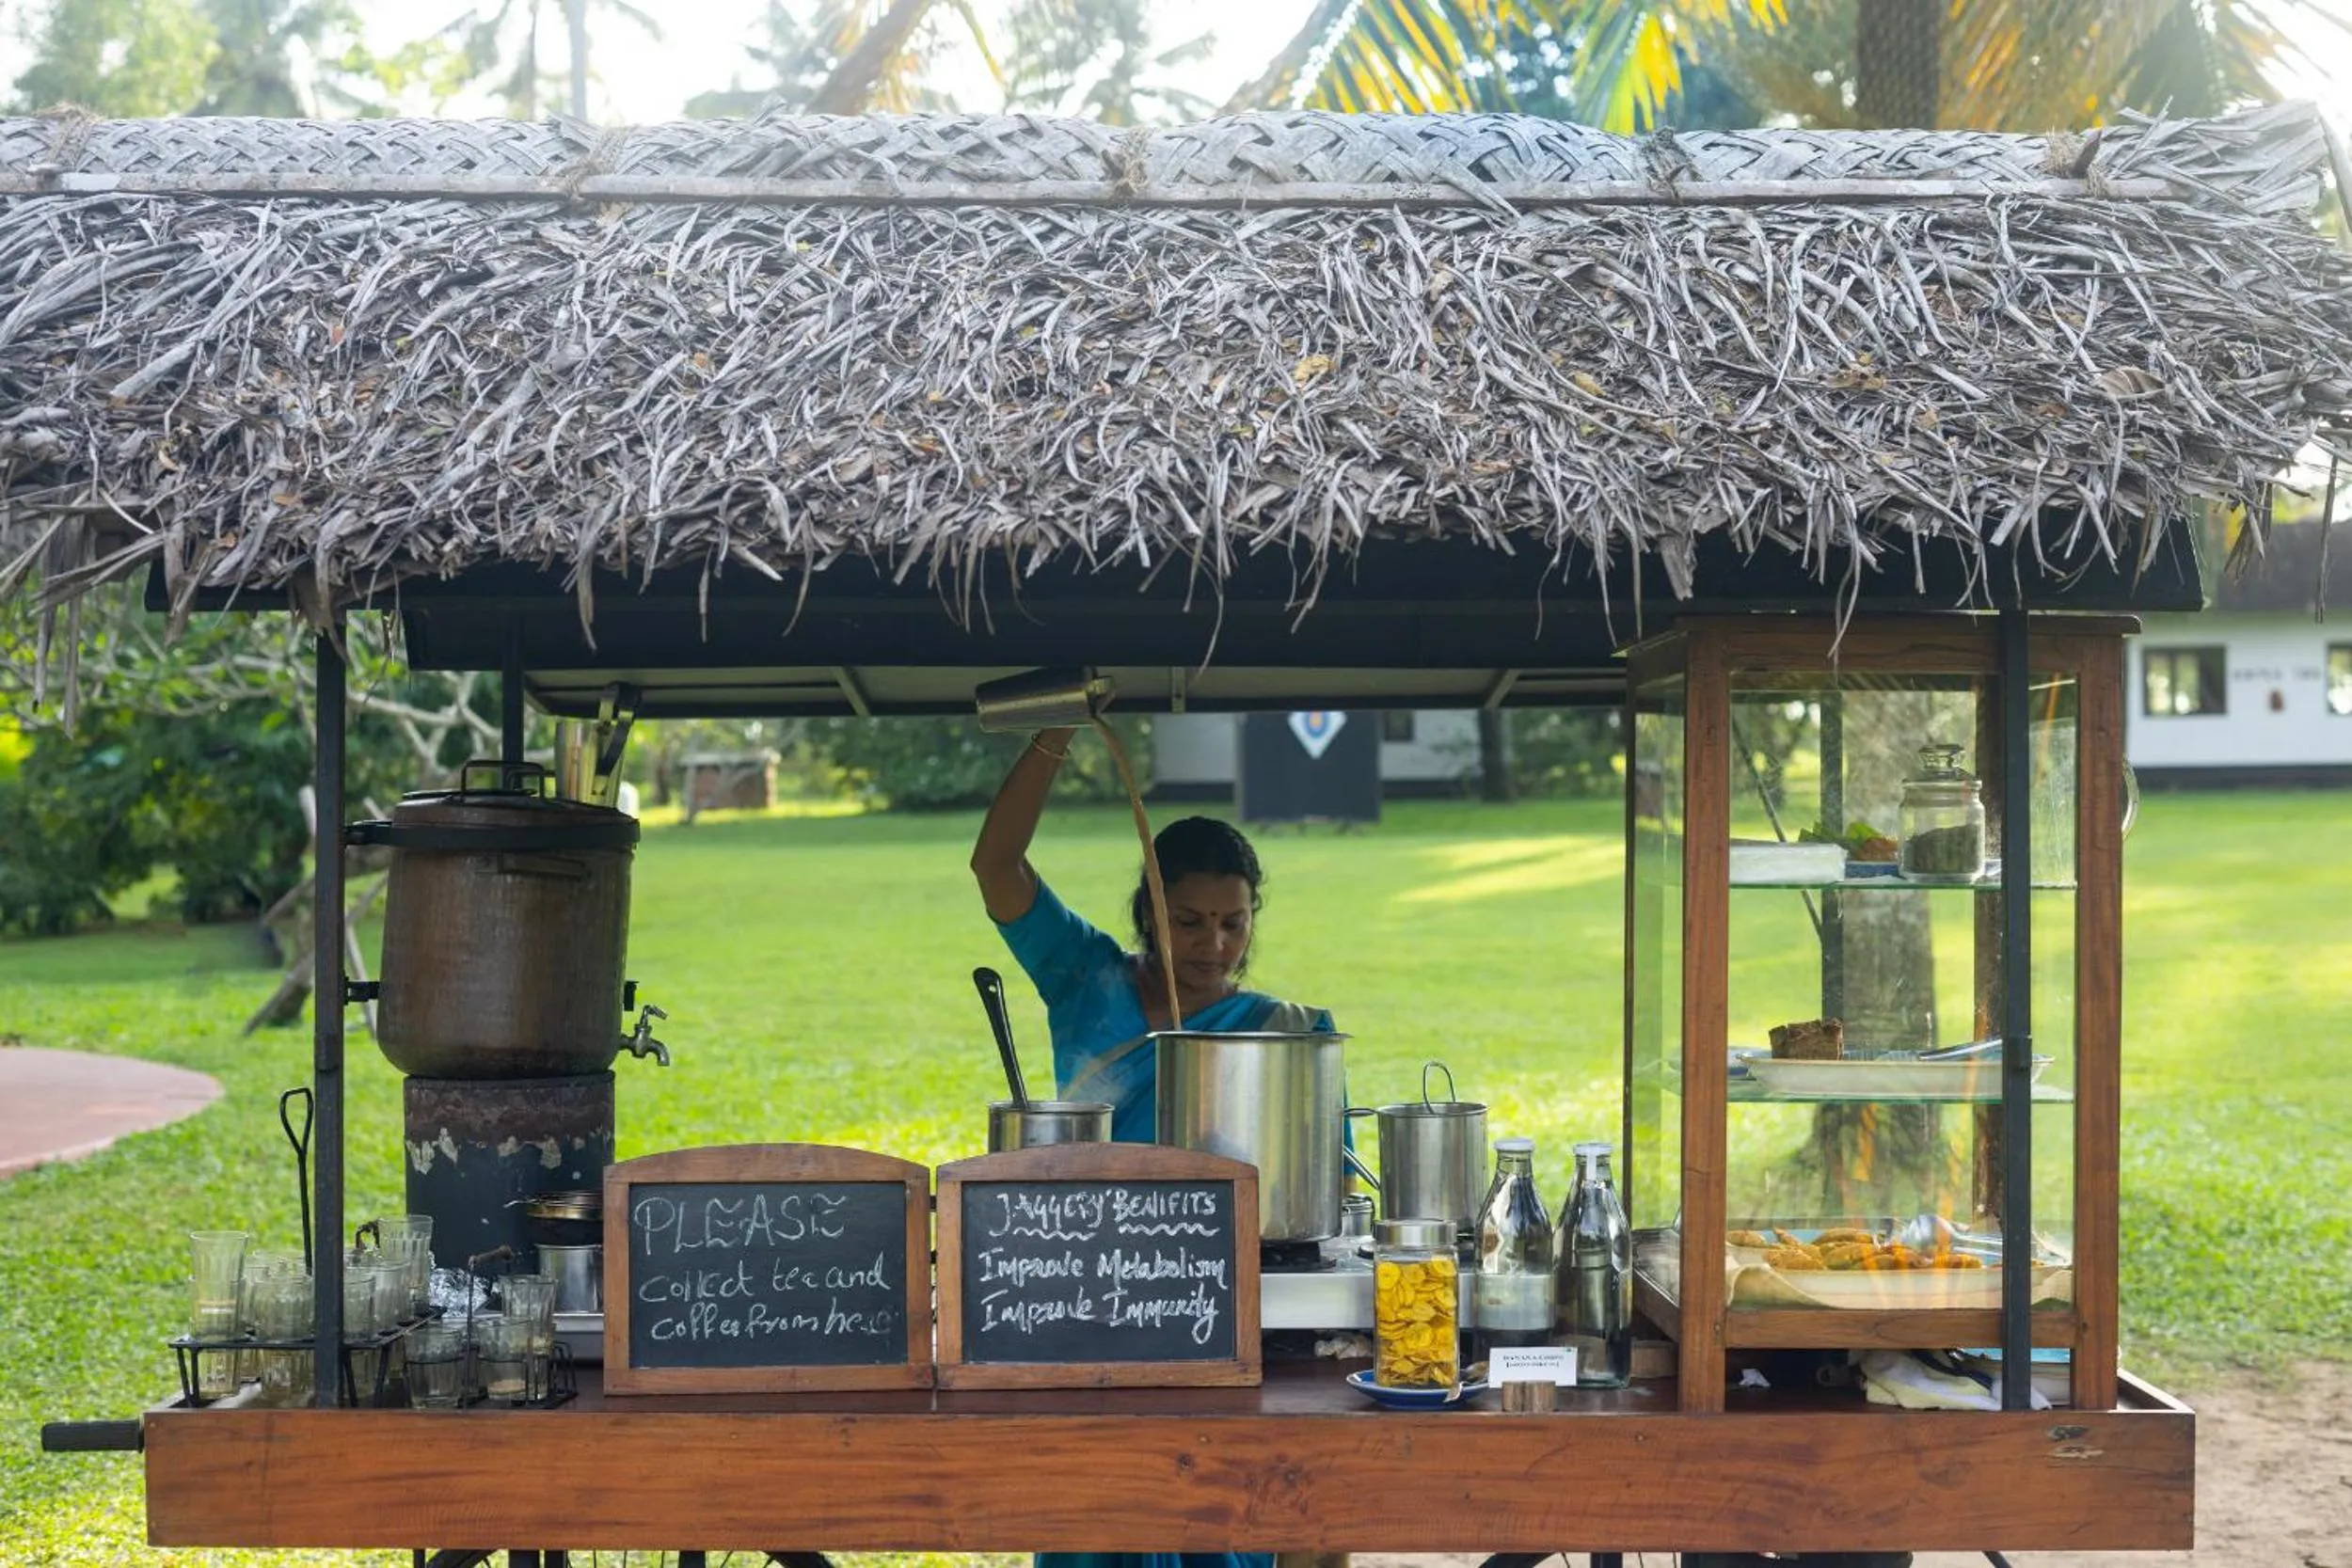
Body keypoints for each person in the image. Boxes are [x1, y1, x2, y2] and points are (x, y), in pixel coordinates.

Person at [972, 723, 1334, 1145]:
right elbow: (997, 867)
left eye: (1233, 924)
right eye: (1188, 921)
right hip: (1089, 1208)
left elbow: (1328, 1180)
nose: (1214, 944)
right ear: (1149, 911)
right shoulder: (1085, 975)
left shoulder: (1286, 1032)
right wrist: (1057, 730)